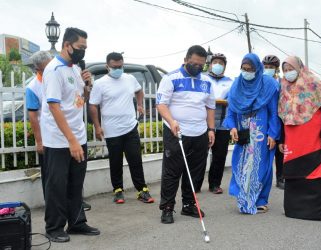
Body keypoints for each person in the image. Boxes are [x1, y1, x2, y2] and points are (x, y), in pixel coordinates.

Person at [41, 27, 100, 242]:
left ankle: (77, 222)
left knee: (76, 183)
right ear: (67, 45)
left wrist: (87, 86)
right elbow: (55, 107)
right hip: (59, 140)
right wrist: (71, 140)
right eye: (80, 47)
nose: (83, 51)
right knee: (57, 185)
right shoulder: (54, 70)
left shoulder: (75, 68)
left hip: (78, 135)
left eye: (85, 47)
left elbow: (78, 100)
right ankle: (54, 227)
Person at [278, 56, 321, 223]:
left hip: (313, 139)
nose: (287, 73)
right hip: (292, 139)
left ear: (299, 67)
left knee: (318, 171)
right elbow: (282, 117)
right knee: (294, 173)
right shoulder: (284, 87)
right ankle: (295, 210)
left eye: (290, 68)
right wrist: (281, 140)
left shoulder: (314, 83)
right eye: (284, 70)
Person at [156, 45, 215, 224]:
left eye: (201, 65)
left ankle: (189, 204)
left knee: (195, 171)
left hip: (200, 132)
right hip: (177, 131)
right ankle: (167, 207)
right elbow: (161, 104)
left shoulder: (206, 81)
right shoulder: (170, 78)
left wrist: (211, 129)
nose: (197, 67)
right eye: (194, 63)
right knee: (172, 171)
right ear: (186, 59)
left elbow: (210, 106)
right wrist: (172, 120)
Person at [89, 52, 155, 204]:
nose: (118, 69)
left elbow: (139, 91)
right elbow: (93, 105)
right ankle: (118, 190)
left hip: (130, 126)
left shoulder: (130, 79)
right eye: (114, 67)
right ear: (107, 66)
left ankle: (142, 190)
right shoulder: (100, 83)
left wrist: (139, 104)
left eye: (120, 66)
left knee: (135, 159)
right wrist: (97, 127)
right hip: (112, 130)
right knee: (115, 161)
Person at [223, 53, 280, 214]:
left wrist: (273, 134)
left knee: (262, 165)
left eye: (250, 69)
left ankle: (261, 199)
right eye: (243, 68)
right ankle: (244, 198)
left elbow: (273, 112)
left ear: (257, 69)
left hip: (261, 135)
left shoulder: (268, 84)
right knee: (241, 165)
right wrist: (232, 127)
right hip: (243, 133)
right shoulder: (236, 85)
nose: (246, 72)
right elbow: (231, 111)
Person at [197, 53, 233, 194]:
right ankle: (196, 184)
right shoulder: (203, 79)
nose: (218, 65)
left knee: (219, 156)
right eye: (215, 62)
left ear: (224, 66)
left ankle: (215, 184)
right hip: (205, 124)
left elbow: (232, 100)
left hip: (223, 124)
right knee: (200, 155)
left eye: (221, 63)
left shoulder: (230, 82)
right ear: (210, 64)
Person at [26, 51, 52, 198]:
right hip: (47, 137)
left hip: (63, 134)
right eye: (46, 68)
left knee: (68, 171)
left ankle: (73, 203)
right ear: (38, 70)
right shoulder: (33, 87)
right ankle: (51, 203)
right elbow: (33, 116)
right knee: (49, 173)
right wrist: (39, 141)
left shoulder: (56, 78)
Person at [262, 55, 285, 190]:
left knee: (280, 151)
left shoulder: (282, 83)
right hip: (264, 119)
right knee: (265, 149)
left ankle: (280, 177)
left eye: (271, 67)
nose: (268, 69)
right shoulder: (260, 82)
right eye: (266, 67)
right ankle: (264, 178)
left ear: (276, 69)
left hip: (280, 119)